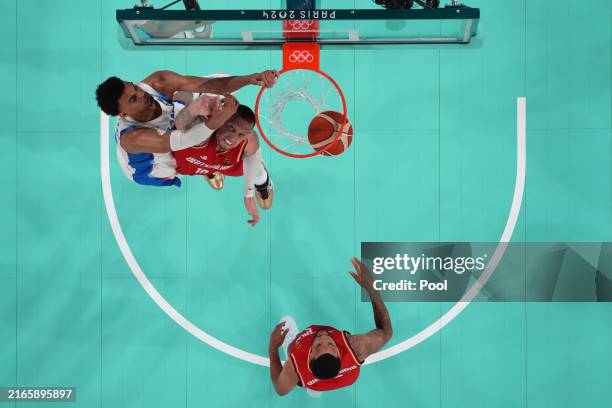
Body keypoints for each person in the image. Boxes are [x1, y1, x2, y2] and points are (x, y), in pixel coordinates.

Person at [95, 70, 278, 187]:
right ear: (123, 114)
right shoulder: (133, 138)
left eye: (135, 87)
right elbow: (181, 142)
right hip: (153, 165)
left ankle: (208, 162)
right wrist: (216, 119)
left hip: (171, 134)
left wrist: (249, 78)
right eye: (134, 99)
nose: (142, 94)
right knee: (189, 134)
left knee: (209, 93)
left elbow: (209, 86)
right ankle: (208, 167)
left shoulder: (159, 82)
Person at [268, 258, 393, 396]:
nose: (323, 336)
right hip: (347, 378)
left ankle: (312, 384)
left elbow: (280, 389)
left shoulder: (296, 365)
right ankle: (314, 387)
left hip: (311, 375)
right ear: (339, 354)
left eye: (318, 345)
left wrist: (273, 347)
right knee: (315, 384)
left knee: (299, 365)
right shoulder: (356, 348)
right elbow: (386, 332)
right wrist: (372, 288)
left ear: (309, 356)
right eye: (330, 344)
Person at [172, 97, 274, 226]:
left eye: (241, 134)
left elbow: (253, 156)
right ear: (222, 120)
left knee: (256, 169)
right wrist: (194, 108)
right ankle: (211, 169)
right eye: (231, 127)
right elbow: (180, 123)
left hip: (227, 163)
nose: (233, 137)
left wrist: (248, 196)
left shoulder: (248, 139)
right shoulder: (199, 127)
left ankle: (263, 183)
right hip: (199, 157)